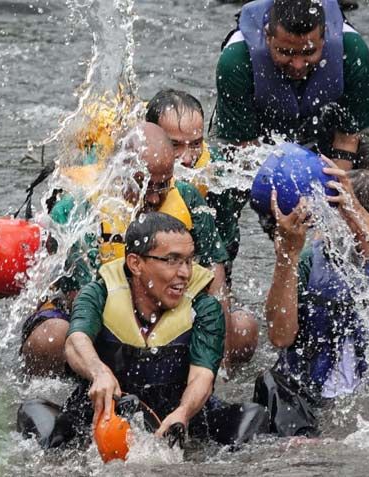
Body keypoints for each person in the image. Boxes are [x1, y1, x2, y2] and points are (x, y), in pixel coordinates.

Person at [22, 123, 255, 375]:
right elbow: (81, 301)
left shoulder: (187, 199)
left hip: (165, 304)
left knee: (242, 329)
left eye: (162, 185)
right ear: (119, 172)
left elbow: (215, 273)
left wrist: (218, 362)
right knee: (50, 338)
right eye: (144, 186)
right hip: (94, 319)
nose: (154, 198)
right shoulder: (79, 211)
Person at [57, 212, 267, 447]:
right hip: (108, 408)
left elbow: (202, 376)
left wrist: (184, 413)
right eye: (172, 260)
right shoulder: (99, 293)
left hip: (176, 411)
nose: (185, 273)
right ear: (136, 264)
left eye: (188, 261)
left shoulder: (204, 307)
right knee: (36, 413)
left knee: (253, 417)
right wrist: (99, 373)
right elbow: (75, 340)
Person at [260, 166, 369, 434]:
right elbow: (280, 337)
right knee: (270, 383)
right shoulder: (310, 260)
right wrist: (287, 256)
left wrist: (358, 214)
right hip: (319, 400)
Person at [146, 89, 258, 365]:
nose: (187, 159)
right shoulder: (125, 178)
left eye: (195, 144)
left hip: (191, 276)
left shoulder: (220, 177)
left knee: (241, 330)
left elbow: (218, 266)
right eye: (175, 146)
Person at [213, 0, 369, 173]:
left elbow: (347, 139)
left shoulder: (352, 50)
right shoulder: (236, 61)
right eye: (286, 52)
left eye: (308, 52)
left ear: (324, 36)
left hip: (332, 131)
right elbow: (246, 151)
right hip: (254, 136)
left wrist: (336, 189)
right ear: (268, 36)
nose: (298, 65)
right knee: (222, 189)